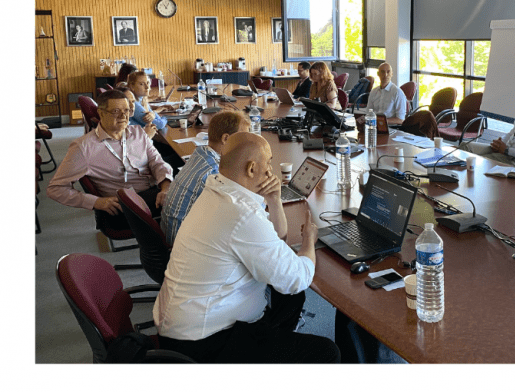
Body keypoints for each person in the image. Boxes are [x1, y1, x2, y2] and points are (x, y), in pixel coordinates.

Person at [153, 132, 340, 363]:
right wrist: (309, 241)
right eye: (268, 163)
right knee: (327, 352)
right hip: (202, 343)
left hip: (185, 323)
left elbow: (276, 239)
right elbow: (297, 278)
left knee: (289, 299)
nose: (270, 170)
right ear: (251, 169)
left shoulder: (218, 191)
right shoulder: (241, 214)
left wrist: (274, 200)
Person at [47, 89, 173, 229]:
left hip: (154, 192)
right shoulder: (83, 147)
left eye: (127, 110)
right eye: (116, 111)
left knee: (186, 187)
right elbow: (55, 189)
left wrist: (166, 188)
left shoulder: (138, 133)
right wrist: (96, 202)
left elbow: (157, 163)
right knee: (185, 202)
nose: (123, 116)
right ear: (101, 113)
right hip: (123, 206)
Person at [160, 110, 251, 245]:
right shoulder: (214, 173)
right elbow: (241, 212)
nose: (248, 143)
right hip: (183, 245)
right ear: (226, 139)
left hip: (174, 233)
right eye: (244, 138)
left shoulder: (201, 154)